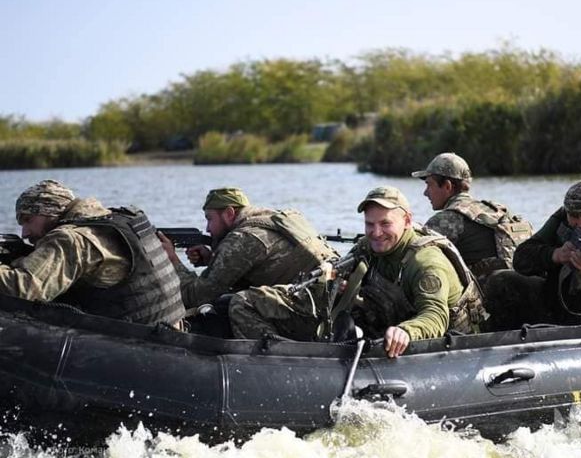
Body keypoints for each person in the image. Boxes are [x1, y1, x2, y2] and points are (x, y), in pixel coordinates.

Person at [228, 186, 485, 357]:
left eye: (385, 224)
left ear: (407, 221)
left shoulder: (426, 262)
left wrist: (406, 332)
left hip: (445, 348)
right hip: (383, 325)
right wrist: (333, 284)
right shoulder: (369, 246)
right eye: (369, 224)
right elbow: (337, 270)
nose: (376, 232)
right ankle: (283, 354)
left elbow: (435, 316)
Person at [0, 179, 185, 327]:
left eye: (27, 220)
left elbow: (23, 288)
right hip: (170, 330)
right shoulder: (117, 219)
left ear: (48, 211)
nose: (24, 233)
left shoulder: (71, 239)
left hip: (139, 345)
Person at [484, 178, 581, 329]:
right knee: (501, 281)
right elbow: (521, 259)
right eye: (575, 217)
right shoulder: (563, 217)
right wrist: (555, 255)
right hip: (557, 304)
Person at [158, 186, 338, 311]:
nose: (207, 228)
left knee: (233, 303)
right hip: (327, 294)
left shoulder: (242, 239)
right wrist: (214, 258)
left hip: (311, 304)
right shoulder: (269, 218)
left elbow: (196, 296)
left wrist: (172, 260)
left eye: (209, 219)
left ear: (229, 213)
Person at [412, 152, 533, 287]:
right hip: (521, 290)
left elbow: (413, 260)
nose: (425, 192)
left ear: (447, 186)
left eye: (429, 184)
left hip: (486, 300)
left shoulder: (446, 219)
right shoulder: (497, 210)